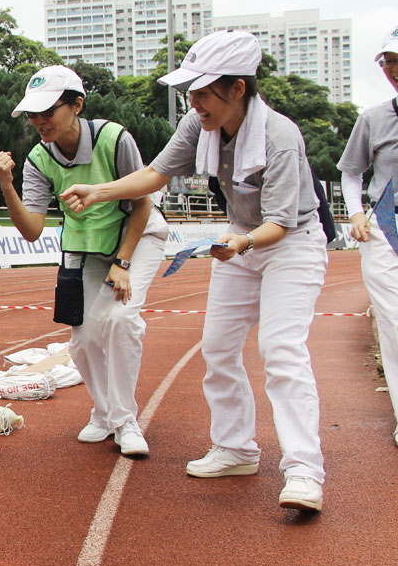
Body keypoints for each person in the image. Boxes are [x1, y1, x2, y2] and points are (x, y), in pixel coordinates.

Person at [62, 30, 328, 512]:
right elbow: (157, 174)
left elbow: (282, 224)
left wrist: (243, 242)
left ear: (238, 89)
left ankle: (305, 471)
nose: (194, 101)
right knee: (219, 347)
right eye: (191, 92)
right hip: (240, 236)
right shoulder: (196, 123)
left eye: (203, 91)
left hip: (289, 242)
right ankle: (236, 448)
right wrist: (98, 190)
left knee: (281, 349)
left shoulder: (280, 137)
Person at [0, 65, 167, 457]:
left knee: (120, 321)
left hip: (137, 236)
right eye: (33, 114)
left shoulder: (113, 138)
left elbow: (141, 204)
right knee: (84, 338)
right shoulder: (38, 157)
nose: (39, 121)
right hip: (85, 245)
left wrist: (122, 263)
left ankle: (125, 420)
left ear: (77, 105)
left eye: (48, 111)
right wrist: (6, 185)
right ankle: (104, 412)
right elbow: (32, 229)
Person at [337, 23, 398, 448]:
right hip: (385, 228)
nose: (393, 68)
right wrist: (357, 213)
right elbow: (351, 171)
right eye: (388, 61)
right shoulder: (373, 119)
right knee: (394, 323)